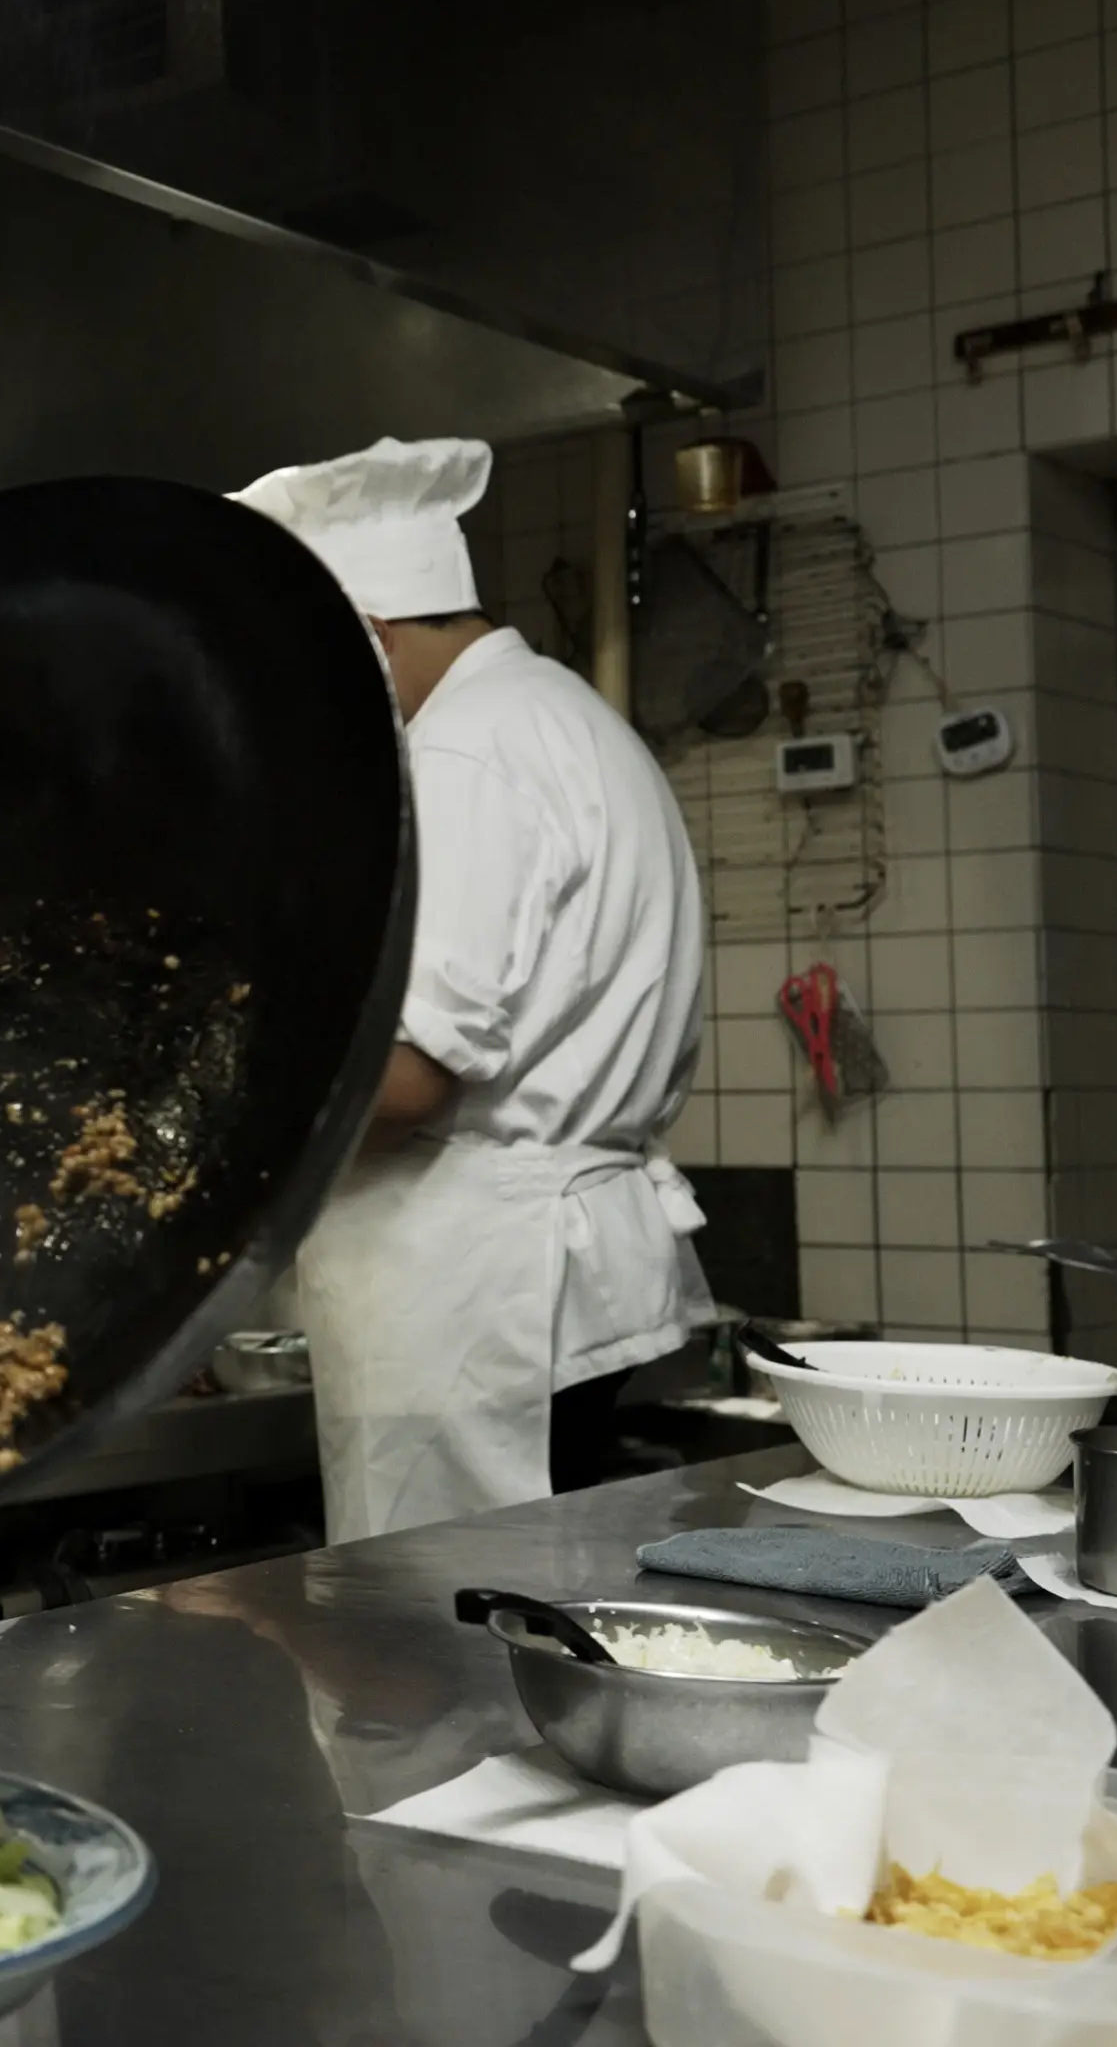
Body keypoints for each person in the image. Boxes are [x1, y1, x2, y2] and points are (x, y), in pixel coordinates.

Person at [231, 436, 713, 1543]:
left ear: (369, 633)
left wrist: (224, 1153)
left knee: (440, 1659)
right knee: (506, 1633)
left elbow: (405, 1079)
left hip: (477, 1297)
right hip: (542, 1274)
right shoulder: (563, 720)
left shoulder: (462, 756)